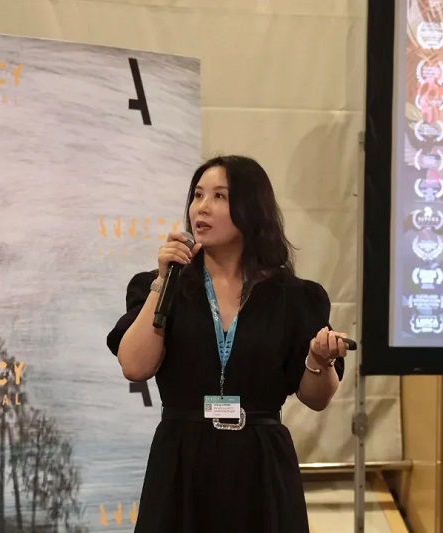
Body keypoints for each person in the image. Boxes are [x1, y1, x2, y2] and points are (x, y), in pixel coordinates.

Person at [106, 155, 348, 533]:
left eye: (219, 196)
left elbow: (316, 398)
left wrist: (319, 359)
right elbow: (135, 367)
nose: (202, 207)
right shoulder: (161, 286)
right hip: (182, 460)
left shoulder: (295, 296)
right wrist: (163, 282)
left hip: (260, 464)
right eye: (198, 195)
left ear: (252, 209)